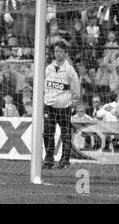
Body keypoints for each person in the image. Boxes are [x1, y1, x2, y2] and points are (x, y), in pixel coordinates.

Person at [43, 41, 80, 170]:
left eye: (60, 51)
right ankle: (48, 159)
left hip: (64, 107)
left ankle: (65, 160)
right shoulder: (49, 68)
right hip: (50, 106)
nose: (58, 54)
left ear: (65, 53)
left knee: (65, 134)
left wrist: (73, 101)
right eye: (56, 51)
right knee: (47, 133)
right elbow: (44, 85)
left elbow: (76, 88)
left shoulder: (69, 70)